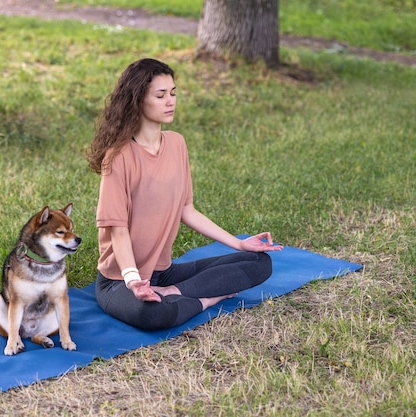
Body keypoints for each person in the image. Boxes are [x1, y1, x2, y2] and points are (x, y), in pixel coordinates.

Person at [87, 58, 283, 330]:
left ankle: (174, 294)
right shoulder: (118, 157)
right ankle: (207, 300)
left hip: (163, 273)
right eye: (160, 95)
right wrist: (133, 280)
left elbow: (186, 209)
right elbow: (117, 231)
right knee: (152, 315)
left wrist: (239, 244)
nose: (171, 101)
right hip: (119, 280)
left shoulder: (177, 144)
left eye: (173, 93)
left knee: (260, 262)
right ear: (137, 100)